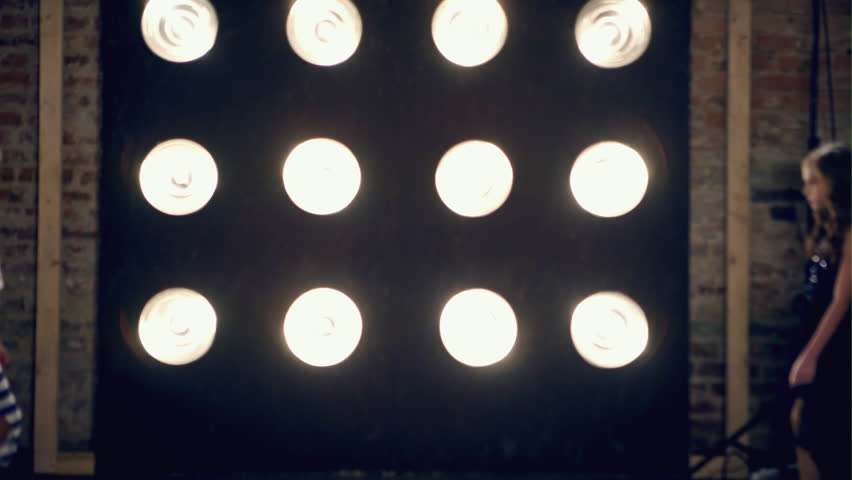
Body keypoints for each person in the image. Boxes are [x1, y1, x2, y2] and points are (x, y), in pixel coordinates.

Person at [789, 142, 851, 480]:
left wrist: (811, 356)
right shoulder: (826, 232)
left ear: (836, 184)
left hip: (835, 347)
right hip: (812, 336)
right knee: (802, 425)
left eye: (814, 181)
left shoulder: (851, 233)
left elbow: (841, 300)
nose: (806, 189)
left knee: (820, 434)